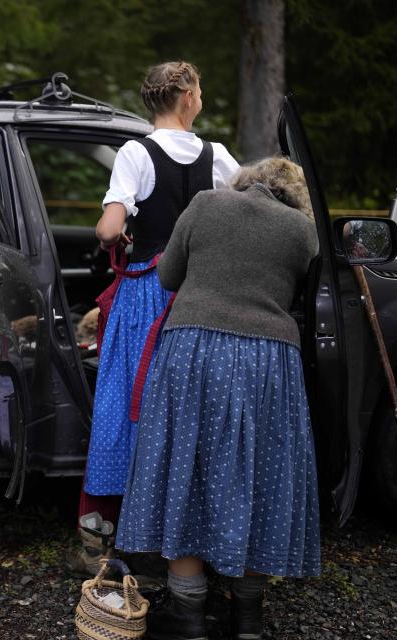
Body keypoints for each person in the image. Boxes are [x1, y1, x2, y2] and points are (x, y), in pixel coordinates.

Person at [115, 158, 320, 640]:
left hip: (193, 351)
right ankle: (248, 617)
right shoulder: (302, 231)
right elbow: (306, 295)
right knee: (262, 471)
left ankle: (189, 616)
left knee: (186, 465)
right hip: (268, 360)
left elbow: (168, 276)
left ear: (244, 181)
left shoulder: (205, 204)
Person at [75, 61, 240, 572]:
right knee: (192, 411)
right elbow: (251, 204)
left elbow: (107, 229)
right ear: (189, 96)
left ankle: (101, 537)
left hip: (147, 293)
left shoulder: (136, 152)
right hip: (198, 295)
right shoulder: (218, 156)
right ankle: (191, 534)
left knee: (126, 404)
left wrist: (118, 228)